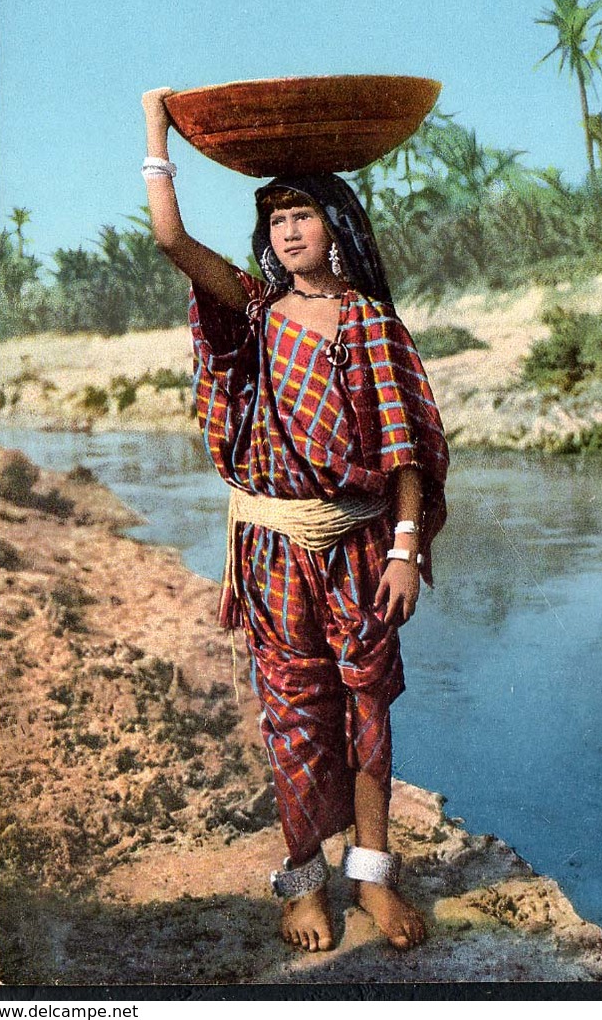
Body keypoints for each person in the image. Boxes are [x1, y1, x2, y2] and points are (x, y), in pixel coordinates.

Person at [141, 87, 449, 954]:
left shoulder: (369, 323)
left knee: (366, 713)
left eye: (301, 213)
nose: (285, 231)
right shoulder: (255, 311)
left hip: (358, 547)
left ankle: (373, 879)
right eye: (274, 217)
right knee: (293, 713)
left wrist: (400, 550)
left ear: (337, 227)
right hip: (272, 548)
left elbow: (404, 452)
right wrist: (156, 129)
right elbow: (170, 239)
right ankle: (304, 881)